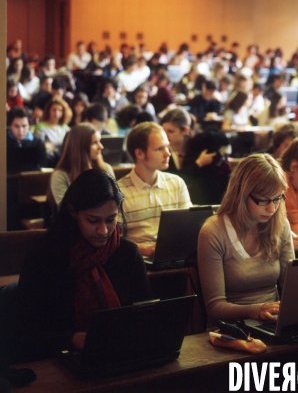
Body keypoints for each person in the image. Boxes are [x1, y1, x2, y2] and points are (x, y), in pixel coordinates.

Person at [17, 169, 152, 361]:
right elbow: (26, 334)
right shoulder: (44, 256)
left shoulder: (127, 253)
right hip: (57, 361)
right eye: (93, 220)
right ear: (73, 212)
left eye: (111, 219)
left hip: (118, 356)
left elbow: (146, 317)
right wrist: (72, 338)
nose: (103, 230)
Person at [197, 154, 294, 323]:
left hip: (274, 320)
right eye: (263, 200)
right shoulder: (213, 231)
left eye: (277, 198)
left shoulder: (280, 223)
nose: (272, 208)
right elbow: (214, 307)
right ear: (241, 195)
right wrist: (256, 310)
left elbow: (293, 288)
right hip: (232, 326)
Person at [117, 122, 191, 256]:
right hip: (138, 263)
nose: (168, 153)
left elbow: (189, 227)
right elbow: (114, 242)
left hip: (176, 256)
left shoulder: (176, 183)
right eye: (159, 149)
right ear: (139, 153)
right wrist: (146, 250)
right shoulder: (119, 192)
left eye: (167, 147)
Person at [51, 123, 115, 207]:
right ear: (81, 147)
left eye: (100, 141)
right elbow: (66, 211)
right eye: (94, 143)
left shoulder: (106, 169)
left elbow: (115, 203)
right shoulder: (60, 175)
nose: (101, 147)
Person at [7, 106, 47, 173]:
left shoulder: (38, 143)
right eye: (16, 126)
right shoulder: (3, 142)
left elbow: (42, 167)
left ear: (29, 125)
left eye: (24, 126)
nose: (20, 131)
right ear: (10, 125)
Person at [34, 98, 71, 166]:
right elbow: (39, 146)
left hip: (64, 159)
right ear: (48, 110)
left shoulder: (66, 128)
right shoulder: (41, 126)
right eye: (54, 110)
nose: (57, 113)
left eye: (60, 110)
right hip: (49, 159)